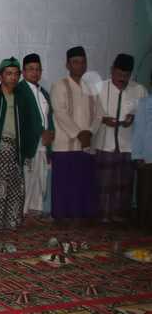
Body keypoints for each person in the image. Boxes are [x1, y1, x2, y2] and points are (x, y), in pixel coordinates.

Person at [50, 46, 102, 224]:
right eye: (75, 62)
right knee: (65, 185)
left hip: (87, 144)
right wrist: (79, 133)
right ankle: (62, 219)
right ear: (68, 65)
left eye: (82, 62)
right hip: (65, 144)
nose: (79, 65)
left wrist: (90, 132)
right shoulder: (59, 86)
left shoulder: (92, 88)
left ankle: (82, 217)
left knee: (83, 183)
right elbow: (60, 113)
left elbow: (99, 113)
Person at [93, 54, 147, 223]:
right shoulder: (100, 88)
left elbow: (146, 117)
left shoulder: (139, 90)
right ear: (112, 70)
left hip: (128, 145)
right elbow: (90, 113)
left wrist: (134, 117)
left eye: (126, 75)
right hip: (104, 143)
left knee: (124, 183)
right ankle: (102, 215)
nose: (122, 79)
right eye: (119, 74)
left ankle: (119, 215)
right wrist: (103, 119)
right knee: (104, 182)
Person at [0, 58, 30, 237]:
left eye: (16, 74)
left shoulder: (22, 98)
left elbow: (27, 125)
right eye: (8, 73)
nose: (13, 77)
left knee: (15, 188)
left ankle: (10, 224)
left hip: (16, 149)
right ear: (0, 76)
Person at [16, 53, 54, 222]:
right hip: (29, 142)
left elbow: (49, 116)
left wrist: (50, 132)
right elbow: (24, 118)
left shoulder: (43, 92)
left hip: (43, 143)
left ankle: (35, 212)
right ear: (23, 72)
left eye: (38, 69)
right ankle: (22, 213)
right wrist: (41, 131)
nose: (35, 72)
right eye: (31, 69)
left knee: (40, 177)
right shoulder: (20, 90)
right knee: (27, 178)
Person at [132, 71, 152, 232]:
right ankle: (142, 225)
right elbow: (139, 130)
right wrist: (138, 155)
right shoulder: (144, 103)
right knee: (145, 192)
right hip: (148, 155)